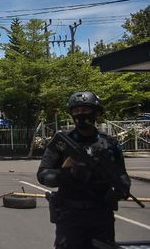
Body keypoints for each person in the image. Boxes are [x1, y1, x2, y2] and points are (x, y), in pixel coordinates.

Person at [37, 92, 131, 249]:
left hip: (101, 214)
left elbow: (122, 175)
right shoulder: (62, 143)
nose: (80, 115)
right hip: (70, 215)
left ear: (97, 113)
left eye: (85, 110)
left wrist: (121, 188)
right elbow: (43, 175)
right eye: (76, 111)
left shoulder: (109, 144)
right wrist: (67, 174)